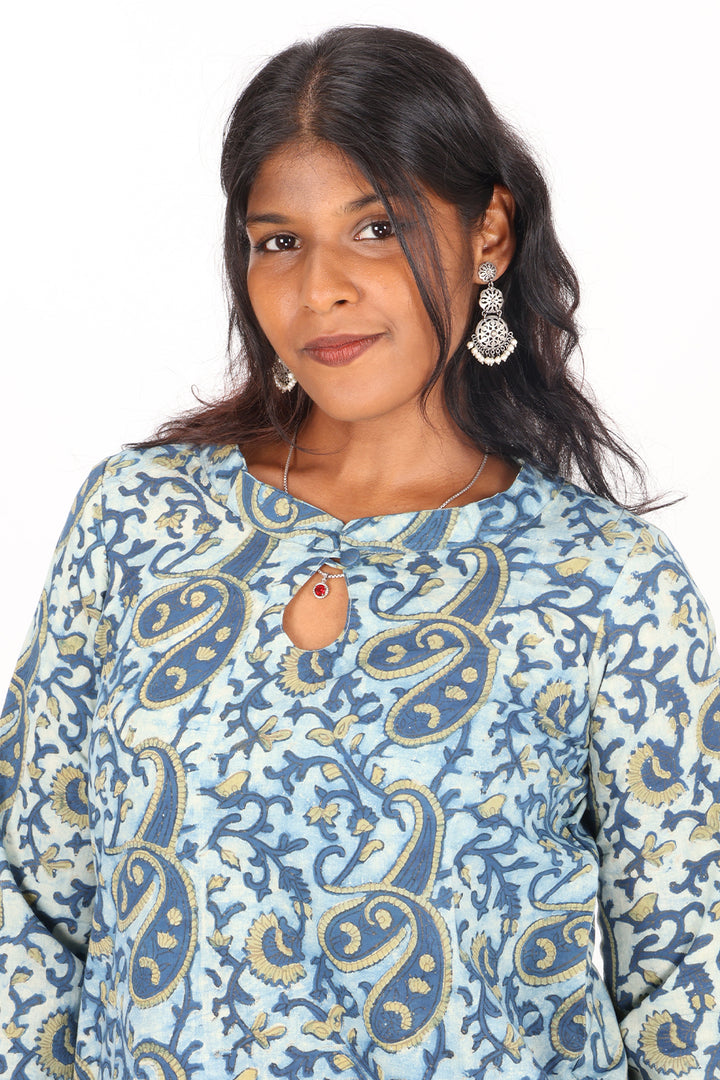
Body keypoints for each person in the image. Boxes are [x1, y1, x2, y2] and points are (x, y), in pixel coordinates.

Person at [1, 23, 718, 1080]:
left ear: (488, 235)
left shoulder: (607, 585)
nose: (319, 289)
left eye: (377, 229)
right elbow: (29, 906)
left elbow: (691, 989)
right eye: (278, 241)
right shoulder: (139, 521)